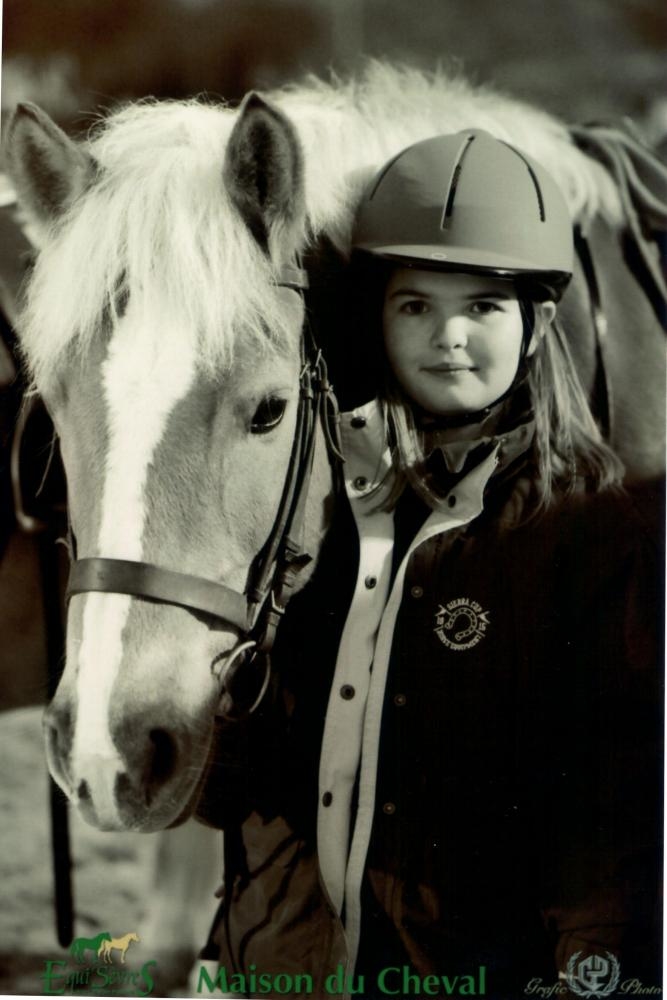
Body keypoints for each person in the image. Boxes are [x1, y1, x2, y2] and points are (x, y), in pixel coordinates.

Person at [200, 131, 662, 998]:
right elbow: (231, 796)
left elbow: (609, 826)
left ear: (535, 326)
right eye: (414, 305)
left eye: (481, 306)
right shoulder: (317, 510)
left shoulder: (593, 537)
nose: (447, 336)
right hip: (274, 971)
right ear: (375, 318)